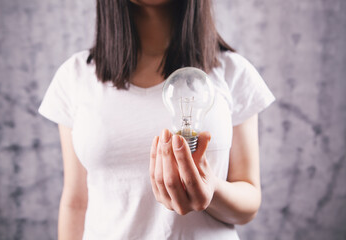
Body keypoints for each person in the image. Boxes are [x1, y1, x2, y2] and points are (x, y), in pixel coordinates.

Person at [38, 0, 276, 239]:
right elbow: (76, 202)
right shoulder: (76, 76)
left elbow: (248, 204)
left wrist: (211, 190)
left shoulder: (232, 71)